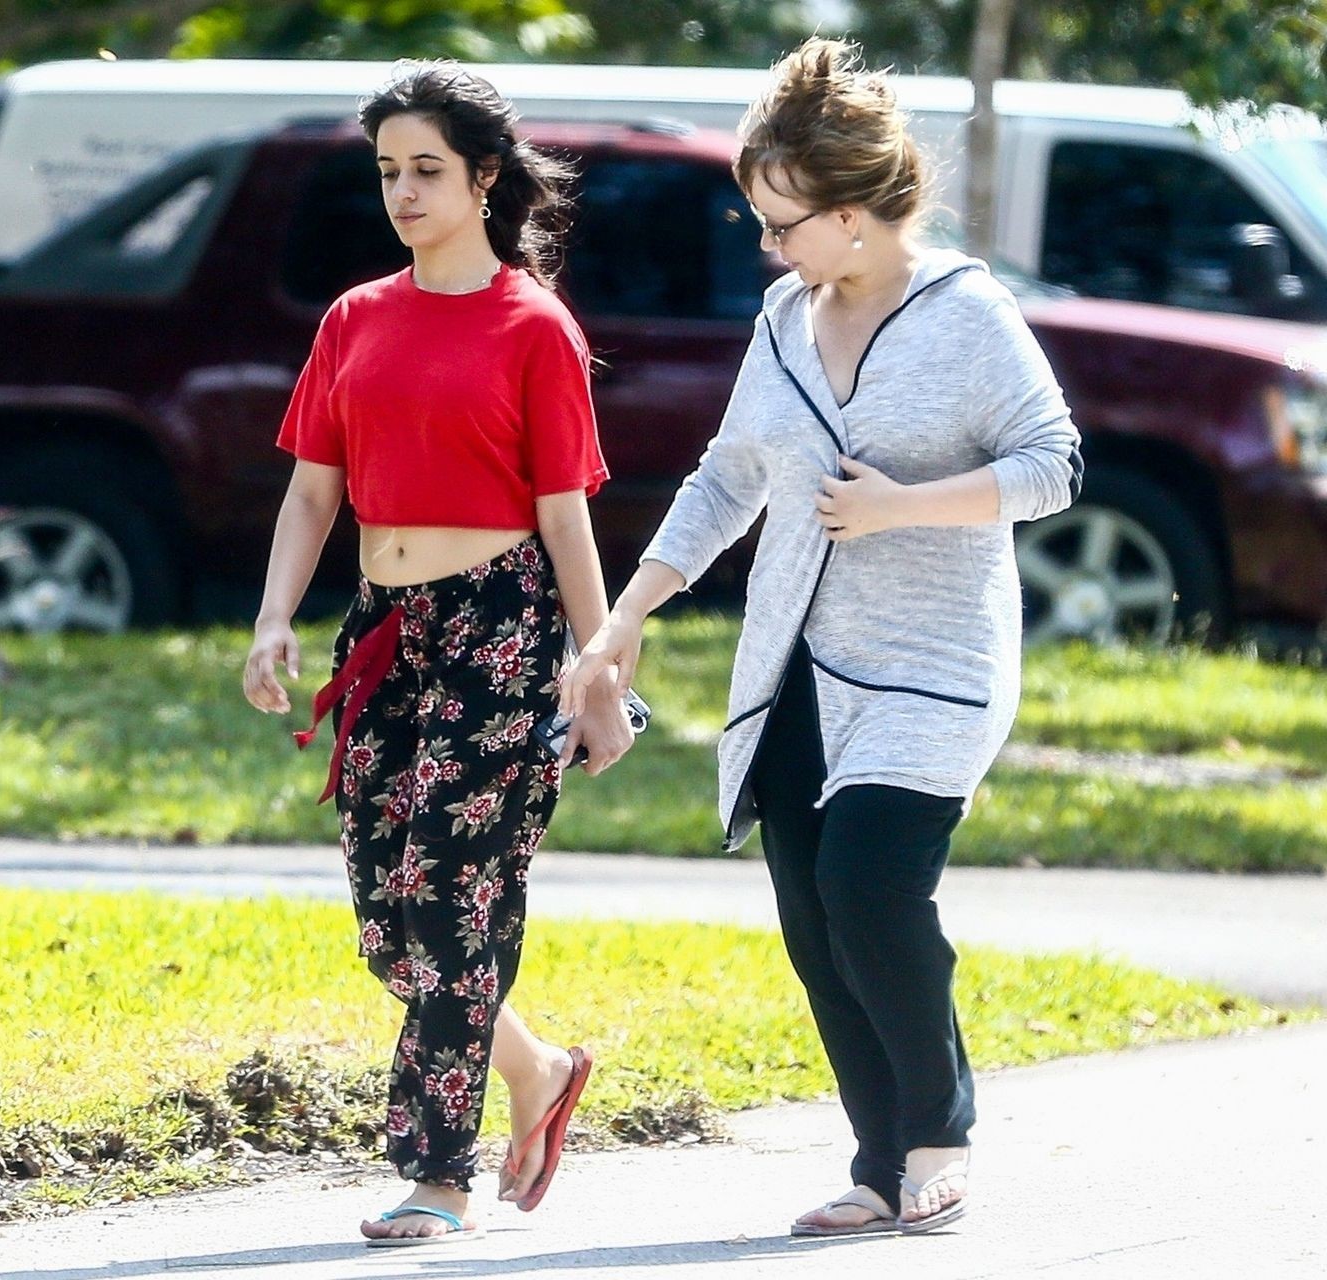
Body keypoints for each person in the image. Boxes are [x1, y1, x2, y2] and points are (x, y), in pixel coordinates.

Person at [561, 38, 1083, 1238]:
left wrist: (906, 504)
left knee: (869, 883)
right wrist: (625, 615)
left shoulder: (969, 315)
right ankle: (880, 1161)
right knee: (813, 915)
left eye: (781, 224)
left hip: (934, 663)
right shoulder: (786, 317)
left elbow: (1051, 464)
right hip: (794, 659)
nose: (767, 245)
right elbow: (727, 477)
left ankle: (940, 1133)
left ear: (852, 215)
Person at [243, 60, 635, 1248]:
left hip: (500, 624)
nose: (404, 193)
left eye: (426, 170)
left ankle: (437, 1172)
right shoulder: (354, 318)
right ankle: (535, 1066)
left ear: (484, 178)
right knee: (385, 911)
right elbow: (313, 491)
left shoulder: (534, 326)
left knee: (453, 897)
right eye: (387, 172)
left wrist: (599, 668)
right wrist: (274, 616)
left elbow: (566, 516)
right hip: (384, 625)